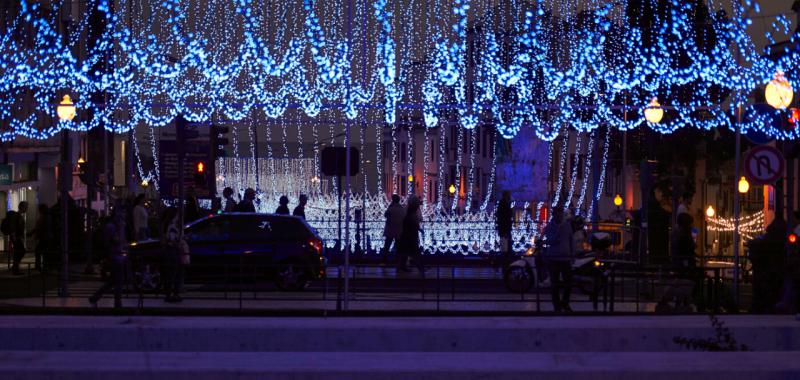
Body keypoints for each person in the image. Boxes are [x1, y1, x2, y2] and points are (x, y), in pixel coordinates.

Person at [89, 205, 127, 308]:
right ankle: (117, 303)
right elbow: (116, 241)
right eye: (122, 213)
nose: (124, 215)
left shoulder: (114, 226)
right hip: (115, 256)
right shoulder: (112, 227)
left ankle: (95, 298)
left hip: (116, 255)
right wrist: (121, 230)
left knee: (113, 281)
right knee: (118, 281)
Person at [542, 207, 576, 312]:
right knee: (555, 283)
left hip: (565, 258)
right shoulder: (549, 227)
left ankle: (565, 303)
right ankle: (557, 305)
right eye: (558, 214)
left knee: (568, 282)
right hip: (554, 258)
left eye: (561, 214)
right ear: (554, 215)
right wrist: (557, 232)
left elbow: (571, 240)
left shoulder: (567, 226)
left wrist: (572, 254)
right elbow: (550, 241)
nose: (560, 216)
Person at [161, 207, 186, 303]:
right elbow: (172, 239)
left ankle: (171, 294)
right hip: (173, 250)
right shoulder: (172, 226)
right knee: (173, 273)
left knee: (173, 273)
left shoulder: (171, 225)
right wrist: (179, 242)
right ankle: (171, 294)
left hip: (172, 250)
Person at [397, 195, 423, 273]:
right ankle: (420, 267)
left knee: (405, 253)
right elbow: (414, 223)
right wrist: (418, 228)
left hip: (406, 236)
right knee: (414, 253)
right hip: (410, 236)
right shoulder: (412, 214)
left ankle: (401, 267)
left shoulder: (408, 212)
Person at [5, 201, 28, 275]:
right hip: (16, 238)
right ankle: (15, 269)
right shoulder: (17, 216)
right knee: (21, 251)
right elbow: (13, 227)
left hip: (17, 237)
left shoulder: (19, 216)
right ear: (21, 207)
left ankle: (15, 267)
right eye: (26, 207)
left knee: (18, 252)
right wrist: (14, 237)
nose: (26, 209)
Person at [28, 204, 52, 271]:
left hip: (44, 237)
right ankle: (43, 266)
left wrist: (32, 233)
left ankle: (39, 266)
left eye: (39, 209)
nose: (38, 210)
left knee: (38, 251)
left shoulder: (44, 217)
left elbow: (38, 227)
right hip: (46, 237)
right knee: (43, 252)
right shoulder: (47, 216)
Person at [382, 194, 405, 263]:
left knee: (387, 246)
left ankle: (385, 259)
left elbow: (385, 215)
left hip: (390, 230)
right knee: (398, 247)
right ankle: (398, 260)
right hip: (399, 230)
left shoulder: (391, 208)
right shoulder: (401, 209)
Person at [496, 191, 513, 268]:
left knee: (505, 249)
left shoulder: (503, 203)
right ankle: (504, 265)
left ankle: (504, 265)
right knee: (506, 249)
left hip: (504, 229)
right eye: (509, 195)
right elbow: (505, 217)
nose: (510, 196)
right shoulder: (504, 204)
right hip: (505, 230)